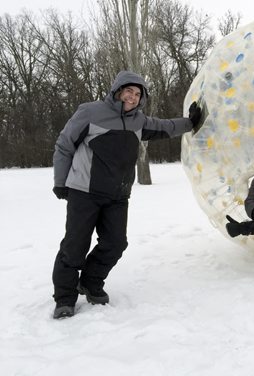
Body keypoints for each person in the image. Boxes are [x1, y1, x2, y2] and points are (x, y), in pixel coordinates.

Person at [51, 70, 201, 319]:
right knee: (75, 246)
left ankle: (90, 281)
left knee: (116, 243)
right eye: (128, 91)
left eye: (137, 94)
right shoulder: (90, 112)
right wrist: (60, 181)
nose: (132, 97)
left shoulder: (138, 121)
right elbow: (64, 145)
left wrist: (191, 122)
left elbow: (165, 127)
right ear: (118, 91)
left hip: (118, 195)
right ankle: (64, 298)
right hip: (84, 191)